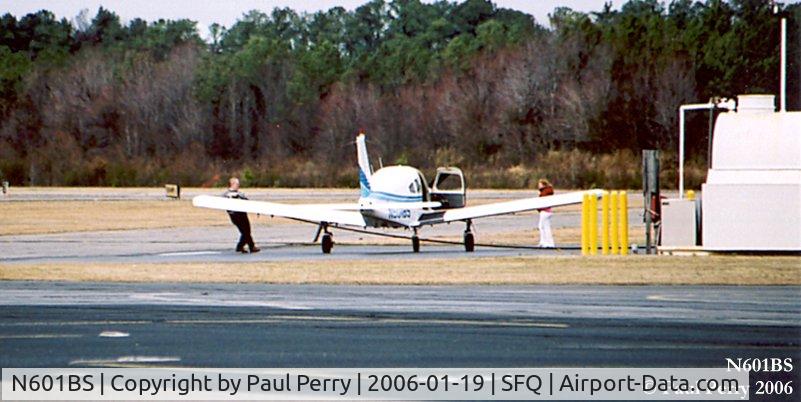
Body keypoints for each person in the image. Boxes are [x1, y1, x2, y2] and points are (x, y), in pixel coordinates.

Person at [224, 177, 260, 253]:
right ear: (232, 184)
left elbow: (247, 202)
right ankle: (249, 246)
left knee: (246, 231)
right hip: (236, 216)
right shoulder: (227, 195)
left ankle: (243, 246)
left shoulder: (239, 194)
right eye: (237, 184)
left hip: (242, 214)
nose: (238, 185)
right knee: (245, 232)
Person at [537, 178, 555, 248]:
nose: (538, 186)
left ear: (543, 185)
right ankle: (547, 242)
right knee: (545, 227)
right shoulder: (548, 191)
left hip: (545, 211)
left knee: (542, 227)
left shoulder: (544, 192)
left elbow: (542, 201)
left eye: (540, 185)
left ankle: (545, 242)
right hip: (547, 211)